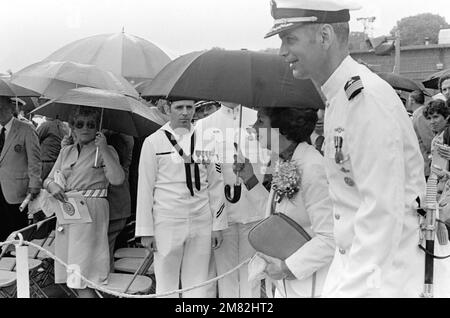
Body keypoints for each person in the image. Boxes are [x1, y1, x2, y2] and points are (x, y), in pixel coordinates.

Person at [265, 0, 426, 297]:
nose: (283, 52)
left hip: (381, 276)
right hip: (358, 265)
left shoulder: (364, 99)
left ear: (325, 36)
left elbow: (381, 213)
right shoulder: (341, 96)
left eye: (290, 39)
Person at [233, 107, 335, 298]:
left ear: (282, 129)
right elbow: (277, 217)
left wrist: (287, 267)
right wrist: (249, 179)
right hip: (285, 286)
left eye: (261, 121)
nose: (254, 127)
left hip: (311, 287)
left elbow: (330, 238)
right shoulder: (285, 160)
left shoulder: (312, 166)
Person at [135, 100, 228, 298]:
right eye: (179, 108)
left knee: (198, 284)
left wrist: (218, 224)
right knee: (166, 284)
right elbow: (145, 188)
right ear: (168, 109)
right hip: (167, 221)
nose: (185, 113)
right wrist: (146, 230)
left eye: (189, 107)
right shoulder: (153, 141)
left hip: (201, 220)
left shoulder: (207, 140)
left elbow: (216, 184)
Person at [43, 106, 124, 298]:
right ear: (72, 127)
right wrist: (51, 186)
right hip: (68, 210)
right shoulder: (66, 151)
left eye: (91, 124)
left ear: (98, 127)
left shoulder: (106, 150)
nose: (85, 128)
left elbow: (118, 179)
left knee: (84, 272)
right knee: (73, 274)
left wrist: (104, 149)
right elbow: (47, 179)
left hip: (91, 211)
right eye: (80, 124)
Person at [195, 102, 268, 298]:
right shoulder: (203, 125)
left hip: (254, 209)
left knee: (252, 277)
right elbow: (202, 175)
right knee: (225, 278)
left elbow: (269, 163)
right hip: (222, 214)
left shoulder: (259, 119)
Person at [0, 96, 41, 242]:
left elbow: (35, 160)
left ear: (12, 108)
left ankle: (18, 259)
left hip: (16, 189)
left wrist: (35, 183)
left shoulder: (26, 129)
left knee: (17, 229)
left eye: (2, 108)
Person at [104, 131, 134, 271]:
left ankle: (106, 288)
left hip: (113, 203)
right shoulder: (126, 137)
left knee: (105, 252)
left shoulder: (117, 139)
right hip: (120, 203)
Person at [410, 91, 434, 179]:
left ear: (412, 100)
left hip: (425, 163)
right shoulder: (418, 115)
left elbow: (428, 140)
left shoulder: (420, 116)